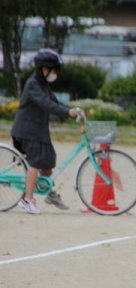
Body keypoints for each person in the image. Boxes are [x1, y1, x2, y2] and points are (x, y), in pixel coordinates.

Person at [11, 48, 81, 214]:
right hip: (27, 130)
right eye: (53, 69)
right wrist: (67, 112)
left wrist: (71, 111)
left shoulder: (43, 84)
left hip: (39, 130)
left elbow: (55, 102)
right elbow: (46, 104)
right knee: (35, 163)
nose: (55, 73)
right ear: (44, 68)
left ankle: (49, 193)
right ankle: (27, 200)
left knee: (48, 162)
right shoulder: (33, 84)